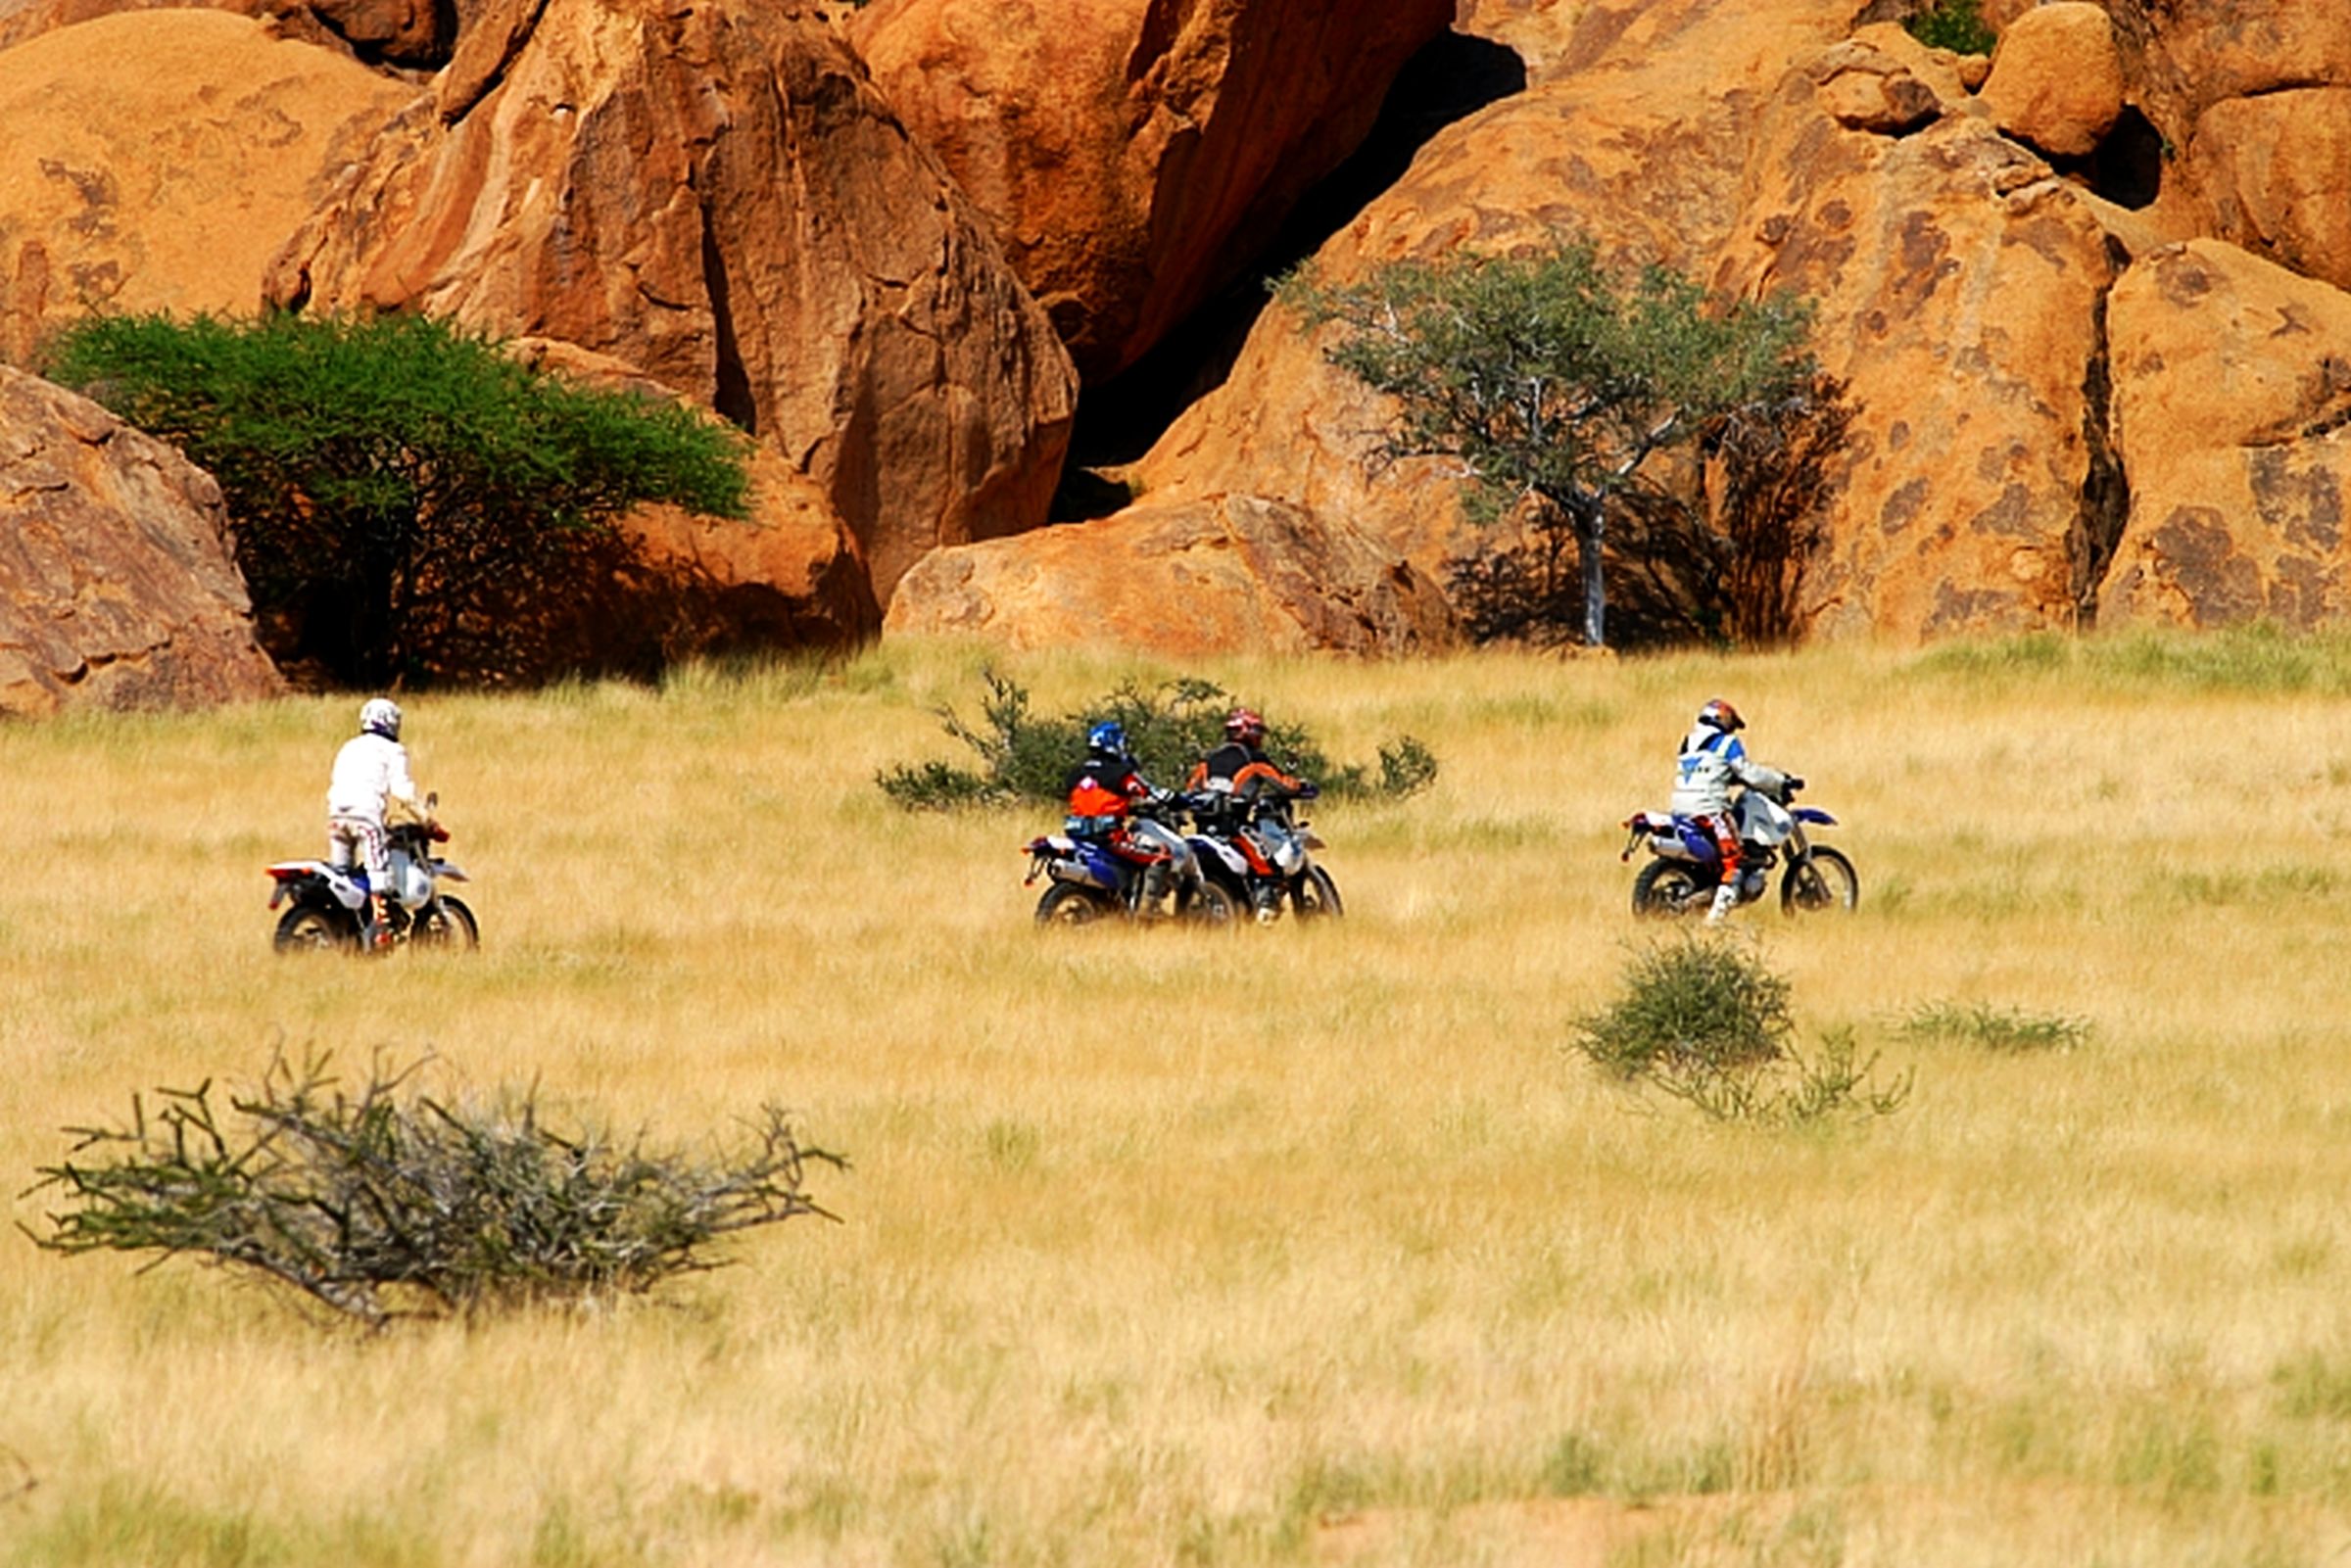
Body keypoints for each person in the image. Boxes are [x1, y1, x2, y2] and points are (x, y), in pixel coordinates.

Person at [1671, 697, 1793, 925]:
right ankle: (1714, 922)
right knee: (1734, 861)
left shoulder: (1688, 741)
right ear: (1722, 719)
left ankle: (1707, 889)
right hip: (1709, 810)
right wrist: (1780, 781)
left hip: (1680, 809)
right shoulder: (1727, 742)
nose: (1732, 728)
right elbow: (1749, 773)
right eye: (1731, 722)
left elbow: (1706, 770)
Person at [1186, 707, 1313, 915]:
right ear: (1247, 732)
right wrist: (1302, 787)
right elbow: (1284, 784)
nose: (1260, 736)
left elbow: (1191, 789)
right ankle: (1266, 902)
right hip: (1234, 827)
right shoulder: (1254, 759)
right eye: (1257, 731)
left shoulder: (1209, 759)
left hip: (1203, 828)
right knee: (1268, 864)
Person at [326, 697, 422, 947]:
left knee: (343, 874)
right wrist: (425, 817)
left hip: (337, 816)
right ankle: (382, 929)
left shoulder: (349, 747)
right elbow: (402, 791)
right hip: (366, 817)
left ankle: (344, 929)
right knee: (378, 873)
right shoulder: (393, 750)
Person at [1063, 720, 1181, 917]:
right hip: (1109, 837)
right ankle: (1146, 912)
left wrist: (1126, 807)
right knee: (1161, 855)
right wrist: (1179, 800)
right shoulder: (1121, 773)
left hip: (1077, 835)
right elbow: (1150, 792)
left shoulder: (1076, 773)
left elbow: (1094, 800)